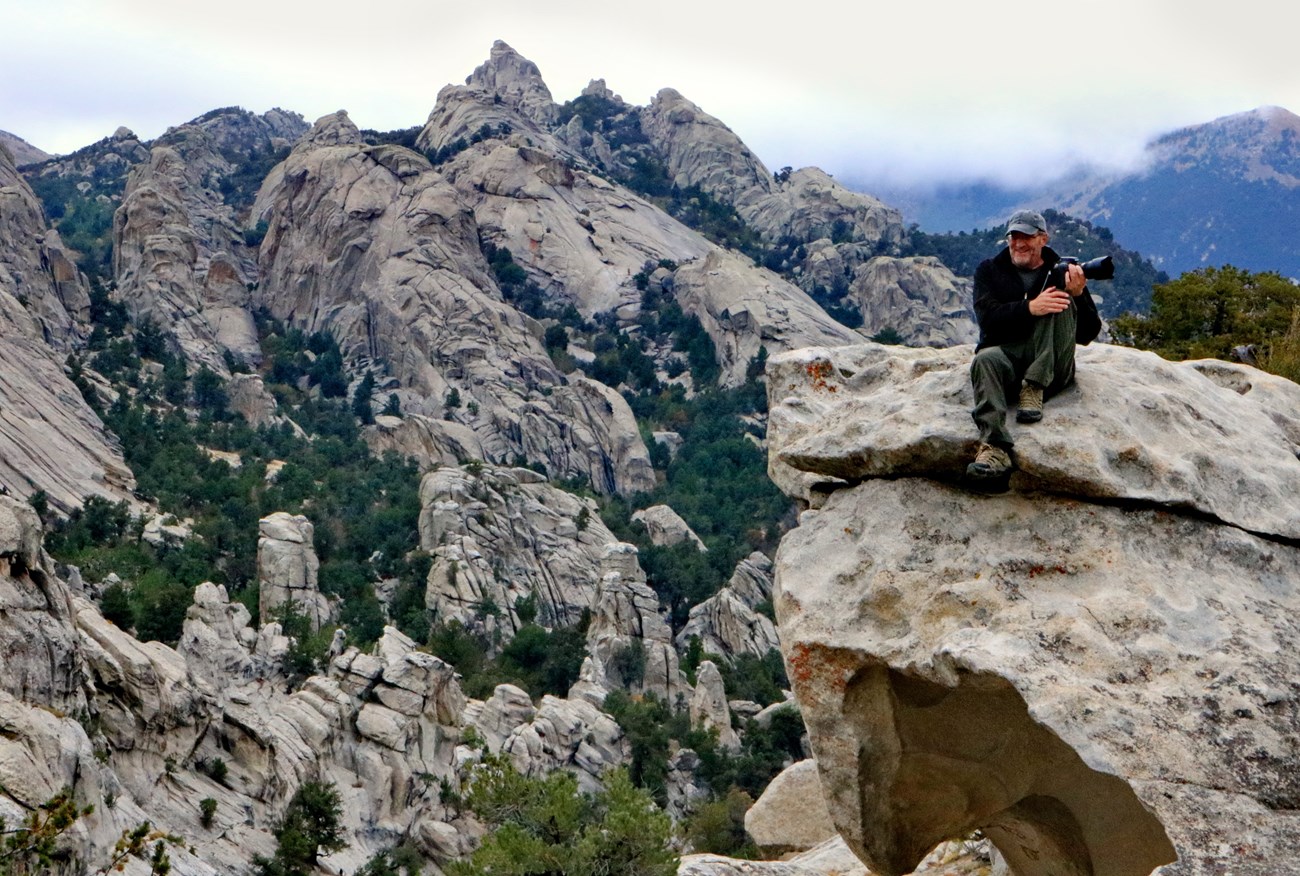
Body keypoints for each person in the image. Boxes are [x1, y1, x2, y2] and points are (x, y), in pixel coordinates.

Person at [967, 210, 1102, 480]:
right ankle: (994, 447)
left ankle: (1035, 385)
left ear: (1043, 239)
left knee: (1060, 301)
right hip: (1008, 355)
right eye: (1013, 237)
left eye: (1026, 237)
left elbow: (1088, 333)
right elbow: (988, 320)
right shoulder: (989, 270)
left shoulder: (1062, 271)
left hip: (1053, 366)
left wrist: (1078, 297)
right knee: (984, 360)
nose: (1018, 244)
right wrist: (1030, 308)